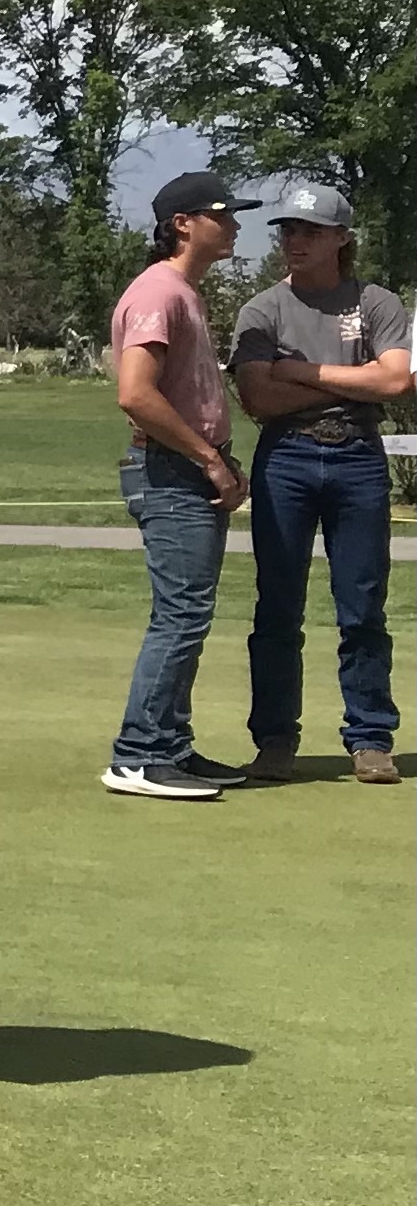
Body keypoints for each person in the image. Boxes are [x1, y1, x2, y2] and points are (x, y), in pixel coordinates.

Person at [227, 180, 406, 787]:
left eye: (310, 231)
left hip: (358, 456)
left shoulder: (377, 302)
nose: (295, 241)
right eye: (288, 231)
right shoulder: (262, 309)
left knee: (362, 606)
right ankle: (275, 739)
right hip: (287, 459)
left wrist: (302, 371)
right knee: (278, 607)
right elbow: (259, 396)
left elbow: (396, 384)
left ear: (341, 239)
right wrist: (353, 378)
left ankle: (370, 737)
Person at [102, 173, 255, 801]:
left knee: (189, 613)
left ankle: (170, 746)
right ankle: (137, 756)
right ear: (184, 223)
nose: (236, 224)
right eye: (223, 213)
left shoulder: (181, 292)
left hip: (184, 468)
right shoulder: (158, 291)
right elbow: (135, 394)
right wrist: (208, 459)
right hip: (171, 472)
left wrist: (218, 456)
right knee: (181, 614)